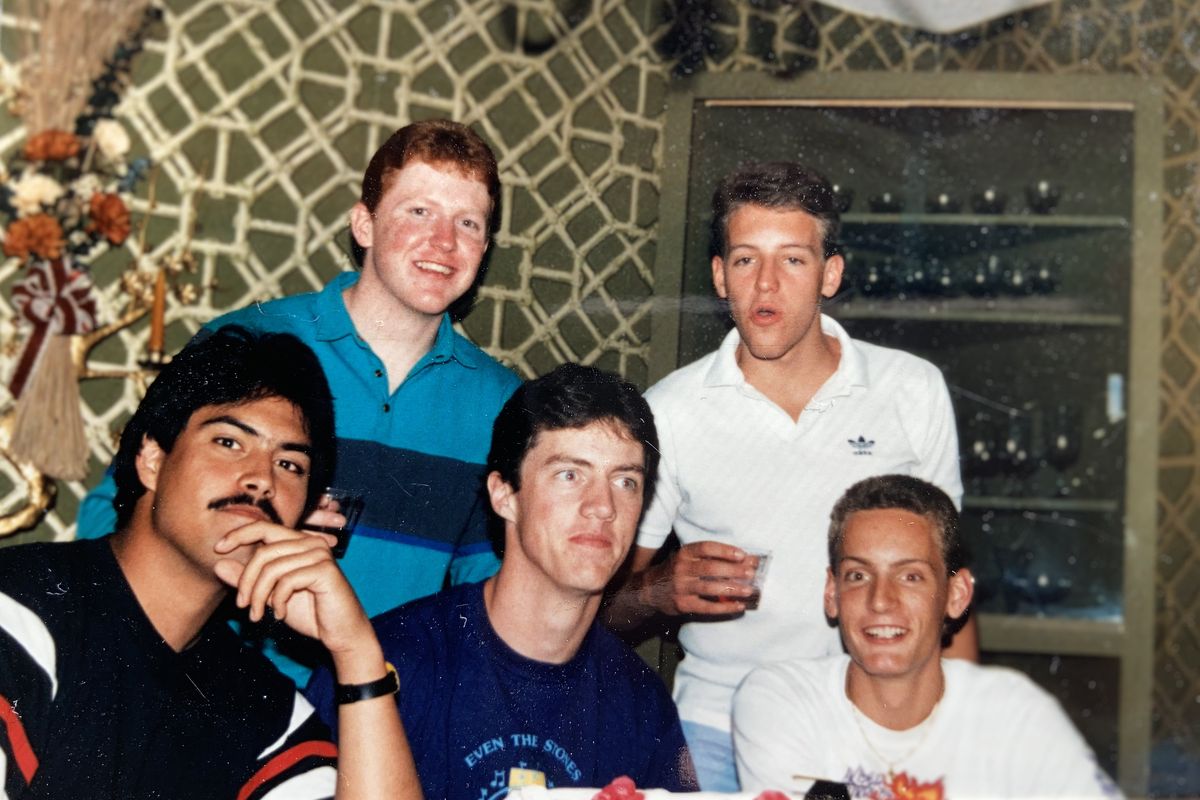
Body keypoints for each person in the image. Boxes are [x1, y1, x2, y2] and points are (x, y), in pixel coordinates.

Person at [77, 119, 522, 684]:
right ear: (364, 224)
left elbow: (485, 604)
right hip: (209, 700)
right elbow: (104, 521)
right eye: (418, 211)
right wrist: (244, 535)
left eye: (468, 223)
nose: (443, 242)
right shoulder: (252, 341)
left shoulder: (502, 405)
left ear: (484, 248)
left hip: (383, 712)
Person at [605, 161, 971, 790]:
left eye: (793, 260)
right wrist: (662, 589)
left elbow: (949, 591)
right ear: (720, 277)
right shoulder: (669, 410)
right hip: (717, 730)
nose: (766, 286)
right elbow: (606, 602)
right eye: (746, 260)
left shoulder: (912, 391)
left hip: (875, 728)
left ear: (831, 273)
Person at [0, 327, 421, 799]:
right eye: (229, 442)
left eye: (290, 465)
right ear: (152, 460)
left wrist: (356, 653)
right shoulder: (20, 613)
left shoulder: (268, 713)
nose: (261, 479)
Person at [306, 363, 698, 797]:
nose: (602, 506)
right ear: (504, 494)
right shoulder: (392, 662)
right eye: (570, 475)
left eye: (625, 481)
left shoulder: (641, 704)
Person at [733, 474, 1120, 798]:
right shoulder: (782, 702)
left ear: (956, 595)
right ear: (832, 594)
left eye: (911, 576)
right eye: (858, 575)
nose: (881, 601)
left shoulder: (1015, 713)